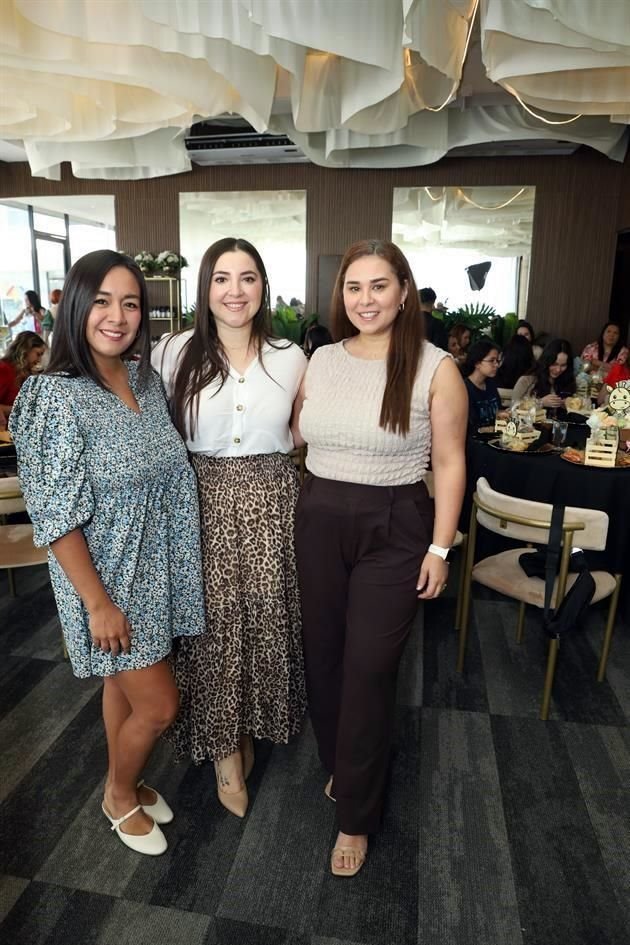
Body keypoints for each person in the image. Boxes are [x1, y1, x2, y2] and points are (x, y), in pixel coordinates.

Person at [9, 250, 206, 857]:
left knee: (121, 687)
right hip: (104, 579)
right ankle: (118, 794)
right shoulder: (53, 397)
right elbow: (56, 514)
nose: (117, 316)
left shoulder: (145, 377)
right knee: (162, 704)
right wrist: (97, 604)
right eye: (101, 301)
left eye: (130, 303)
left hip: (155, 567)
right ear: (74, 307)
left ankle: (127, 778)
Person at [294, 239, 467, 877]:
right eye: (353, 288)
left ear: (402, 292)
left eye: (378, 287)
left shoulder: (434, 366)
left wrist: (440, 547)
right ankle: (342, 764)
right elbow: (299, 434)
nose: (365, 300)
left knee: (369, 668)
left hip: (395, 525)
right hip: (317, 519)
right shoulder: (322, 359)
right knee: (324, 656)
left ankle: (356, 818)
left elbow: (450, 463)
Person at [152, 237, 307, 819]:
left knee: (265, 618)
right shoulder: (173, 353)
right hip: (199, 499)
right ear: (205, 287)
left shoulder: (293, 356)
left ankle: (254, 721)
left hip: (272, 499)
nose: (235, 291)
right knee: (212, 628)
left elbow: (305, 433)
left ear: (263, 286)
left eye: (247, 278)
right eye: (222, 278)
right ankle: (223, 749)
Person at [0, 330, 46, 428]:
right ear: (25, 350)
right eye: (38, 354)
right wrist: (22, 410)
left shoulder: (24, 374)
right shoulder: (4, 369)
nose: (39, 360)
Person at [512, 338, 576, 407]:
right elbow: (513, 407)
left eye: (563, 365)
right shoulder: (526, 380)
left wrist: (567, 403)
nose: (558, 369)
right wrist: (540, 403)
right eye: (554, 364)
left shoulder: (568, 381)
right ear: (546, 361)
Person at [461, 338, 502, 429]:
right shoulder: (465, 389)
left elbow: (498, 411)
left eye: (497, 361)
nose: (496, 365)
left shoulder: (491, 384)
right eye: (492, 360)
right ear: (477, 363)